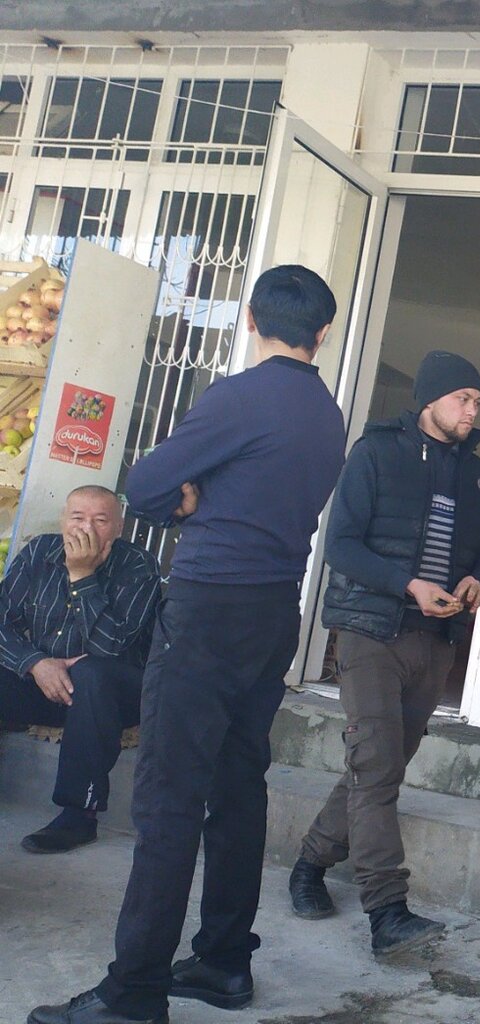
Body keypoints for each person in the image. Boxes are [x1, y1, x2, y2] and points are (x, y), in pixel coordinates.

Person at [29, 265, 346, 1024]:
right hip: (275, 610)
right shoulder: (327, 413)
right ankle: (224, 960)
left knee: (169, 797)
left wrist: (187, 500)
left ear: (250, 319)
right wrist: (201, 494)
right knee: (238, 785)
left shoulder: (239, 397)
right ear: (323, 333)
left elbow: (142, 488)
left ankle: (134, 991)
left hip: (208, 609)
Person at [288, 350, 480, 960]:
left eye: (477, 401)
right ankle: (386, 912)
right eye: (463, 398)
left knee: (380, 764)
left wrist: (478, 584)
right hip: (371, 631)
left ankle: (310, 864)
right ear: (431, 399)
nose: (472, 410)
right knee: (377, 763)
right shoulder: (377, 453)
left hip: (435, 641)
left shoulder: (475, 473)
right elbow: (341, 545)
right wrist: (408, 584)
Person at [0, 485, 160, 853]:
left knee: (91, 672)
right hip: (47, 683)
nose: (86, 528)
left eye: (100, 520)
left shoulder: (138, 566)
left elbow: (109, 649)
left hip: (112, 697)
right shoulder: (39, 552)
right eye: (77, 517)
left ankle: (79, 816)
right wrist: (35, 663)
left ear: (118, 528)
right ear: (63, 521)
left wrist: (81, 576)